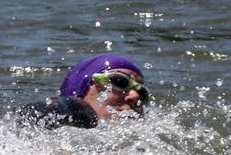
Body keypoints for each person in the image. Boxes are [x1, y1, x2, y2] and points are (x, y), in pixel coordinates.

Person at [18, 54, 148, 128]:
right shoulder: (73, 109)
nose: (135, 96)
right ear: (82, 88)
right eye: (120, 81)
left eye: (142, 93)